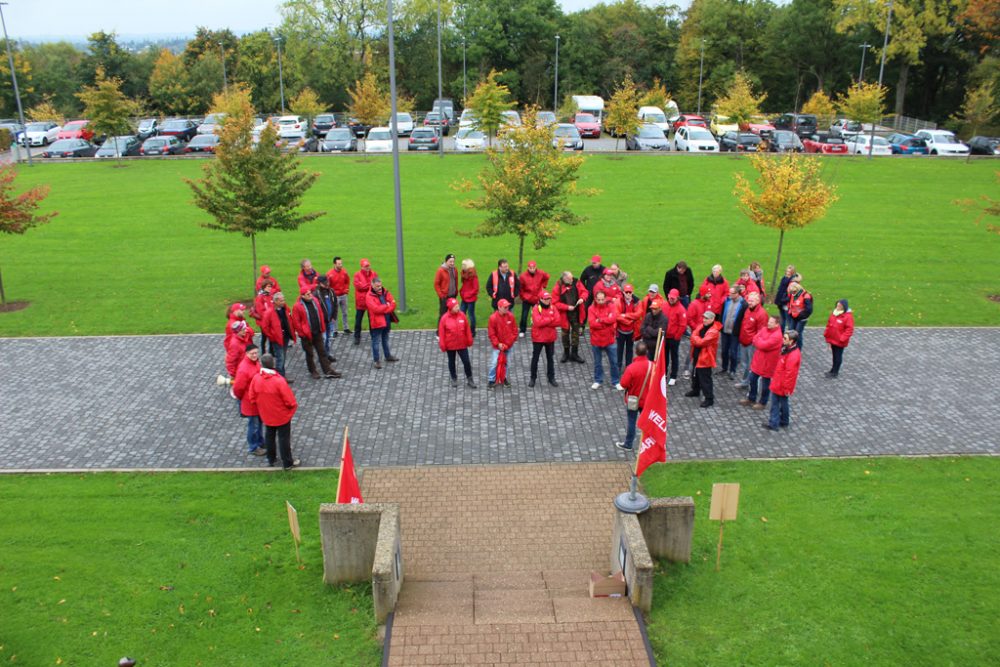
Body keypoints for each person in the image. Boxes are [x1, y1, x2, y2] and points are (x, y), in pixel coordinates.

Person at [248, 354, 300, 470]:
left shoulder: (256, 379)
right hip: (281, 415)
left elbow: (251, 396)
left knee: (269, 436)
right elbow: (289, 400)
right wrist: (291, 408)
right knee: (283, 438)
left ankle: (271, 458)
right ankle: (287, 462)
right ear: (273, 364)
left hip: (266, 414)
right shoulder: (279, 381)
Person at [291, 287, 342, 379]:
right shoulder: (297, 306)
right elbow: (296, 322)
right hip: (306, 335)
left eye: (310, 293)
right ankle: (313, 371)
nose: (310, 295)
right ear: (302, 296)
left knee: (322, 352)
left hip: (317, 331)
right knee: (309, 354)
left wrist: (322, 327)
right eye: (308, 294)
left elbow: (320, 314)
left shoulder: (315, 301)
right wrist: (302, 333)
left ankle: (328, 371)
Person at [615, 341, 651, 451]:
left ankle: (628, 444)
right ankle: (649, 444)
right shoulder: (653, 366)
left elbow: (623, 384)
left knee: (631, 421)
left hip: (634, 399)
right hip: (648, 399)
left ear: (636, 352)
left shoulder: (631, 368)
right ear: (647, 352)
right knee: (648, 423)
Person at [741, 314, 782, 410]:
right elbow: (755, 339)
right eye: (769, 321)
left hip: (768, 364)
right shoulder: (764, 329)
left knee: (765, 385)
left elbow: (763, 345)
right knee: (752, 380)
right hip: (758, 361)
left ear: (777, 324)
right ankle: (751, 398)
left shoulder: (777, 336)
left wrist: (759, 341)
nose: (768, 323)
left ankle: (762, 402)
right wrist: (760, 341)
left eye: (771, 322)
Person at [763, 330, 802, 431]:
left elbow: (790, 374)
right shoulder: (789, 349)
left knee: (775, 404)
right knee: (783, 402)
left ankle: (773, 423)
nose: (782, 340)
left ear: (792, 341)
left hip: (780, 383)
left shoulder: (792, 355)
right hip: (780, 382)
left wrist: (786, 388)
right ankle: (784, 420)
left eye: (785, 338)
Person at [232, 343, 265, 456]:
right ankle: (253, 447)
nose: (255, 355)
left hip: (257, 400)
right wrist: (243, 398)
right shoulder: (243, 369)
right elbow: (238, 388)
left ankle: (260, 442)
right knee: (254, 426)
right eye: (252, 353)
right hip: (250, 402)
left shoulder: (255, 362)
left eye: (256, 353)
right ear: (246, 354)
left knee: (259, 423)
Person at [685, 310, 722, 408]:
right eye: (704, 318)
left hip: (705, 359)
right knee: (695, 375)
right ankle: (696, 390)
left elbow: (702, 342)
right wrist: (696, 339)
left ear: (712, 319)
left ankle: (709, 398)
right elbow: (694, 334)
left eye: (706, 318)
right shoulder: (702, 326)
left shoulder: (714, 331)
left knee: (705, 379)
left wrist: (695, 339)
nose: (704, 320)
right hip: (698, 355)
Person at [438, 298, 477, 388]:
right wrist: (442, 345)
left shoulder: (462, 315)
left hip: (462, 344)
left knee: (466, 361)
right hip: (450, 345)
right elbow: (442, 333)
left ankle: (470, 379)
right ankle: (454, 378)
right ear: (451, 308)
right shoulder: (444, 319)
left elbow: (467, 329)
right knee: (451, 362)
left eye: (458, 305)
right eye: (456, 306)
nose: (458, 308)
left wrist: (469, 339)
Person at [553, 271, 589, 363]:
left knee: (575, 334)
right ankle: (566, 353)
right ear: (564, 279)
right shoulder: (558, 286)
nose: (572, 280)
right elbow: (555, 303)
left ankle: (574, 354)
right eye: (570, 279)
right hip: (565, 315)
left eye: (572, 278)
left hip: (576, 313)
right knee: (565, 334)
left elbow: (585, 292)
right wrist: (567, 307)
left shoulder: (576, 282)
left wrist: (582, 298)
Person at [588, 290, 621, 390]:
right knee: (597, 363)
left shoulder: (611, 306)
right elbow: (592, 323)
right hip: (596, 340)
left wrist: (600, 320)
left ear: (606, 298)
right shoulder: (591, 309)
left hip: (609, 340)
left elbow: (613, 319)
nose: (601, 301)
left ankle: (616, 381)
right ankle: (598, 380)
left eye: (602, 299)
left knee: (614, 362)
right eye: (599, 299)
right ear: (595, 299)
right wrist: (606, 321)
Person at [736, 291, 768, 387]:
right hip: (744, 341)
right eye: (749, 300)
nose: (750, 302)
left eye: (752, 301)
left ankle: (750, 383)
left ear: (758, 301)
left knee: (751, 365)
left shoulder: (762, 314)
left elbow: (761, 332)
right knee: (745, 363)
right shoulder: (748, 310)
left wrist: (753, 341)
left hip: (751, 344)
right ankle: (746, 381)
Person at [260, 292, 295, 380]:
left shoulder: (285, 309)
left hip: (285, 336)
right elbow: (265, 327)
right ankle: (280, 377)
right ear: (275, 301)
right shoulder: (269, 312)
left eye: (283, 300)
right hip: (277, 339)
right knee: (280, 358)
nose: (283, 302)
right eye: (281, 300)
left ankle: (281, 376)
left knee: (283, 356)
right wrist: (272, 336)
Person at [366, 277, 399, 369]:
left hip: (386, 320)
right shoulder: (369, 296)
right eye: (377, 286)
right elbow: (375, 309)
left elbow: (393, 303)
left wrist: (384, 308)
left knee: (385, 338)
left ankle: (387, 356)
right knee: (376, 341)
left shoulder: (385, 292)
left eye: (380, 285)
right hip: (377, 323)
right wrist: (386, 307)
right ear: (372, 285)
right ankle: (376, 360)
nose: (379, 288)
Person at [528, 292, 560, 387]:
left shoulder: (553, 307)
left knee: (550, 359)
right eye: (545, 299)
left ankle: (551, 377)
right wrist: (550, 319)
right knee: (535, 358)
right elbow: (537, 322)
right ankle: (533, 378)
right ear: (541, 299)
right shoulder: (536, 308)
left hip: (550, 338)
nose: (548, 301)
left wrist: (545, 321)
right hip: (538, 338)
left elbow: (558, 321)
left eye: (549, 299)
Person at [487, 298, 518, 388]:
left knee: (507, 363)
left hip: (508, 346)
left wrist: (508, 344)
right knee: (494, 363)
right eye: (505, 307)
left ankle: (503, 378)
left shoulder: (511, 316)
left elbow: (515, 331)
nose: (507, 308)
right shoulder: (493, 318)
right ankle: (491, 380)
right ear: (499, 307)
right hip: (498, 347)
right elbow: (491, 334)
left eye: (508, 306)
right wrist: (498, 344)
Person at [718, 287, 746, 378]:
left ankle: (733, 370)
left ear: (738, 294)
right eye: (729, 293)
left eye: (732, 293)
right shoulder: (727, 301)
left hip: (735, 333)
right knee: (724, 351)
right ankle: (724, 368)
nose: (729, 295)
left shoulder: (743, 304)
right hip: (725, 331)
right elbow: (722, 314)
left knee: (733, 353)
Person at [682, 291, 711, 378]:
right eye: (708, 293)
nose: (710, 295)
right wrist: (697, 329)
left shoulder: (708, 303)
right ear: (703, 294)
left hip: (707, 332)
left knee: (705, 351)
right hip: (697, 332)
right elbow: (689, 318)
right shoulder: (694, 304)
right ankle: (686, 369)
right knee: (692, 350)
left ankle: (702, 368)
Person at [823, 299, 854, 378]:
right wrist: (826, 334)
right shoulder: (834, 313)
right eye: (837, 305)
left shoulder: (848, 317)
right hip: (832, 339)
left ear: (844, 307)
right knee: (834, 356)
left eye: (840, 306)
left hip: (839, 341)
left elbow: (849, 330)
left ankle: (835, 372)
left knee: (837, 356)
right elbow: (829, 324)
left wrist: (842, 338)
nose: (838, 307)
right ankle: (832, 370)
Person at [518, 260, 550, 337]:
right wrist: (523, 296)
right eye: (530, 268)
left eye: (533, 267)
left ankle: (539, 328)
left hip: (537, 298)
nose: (532, 269)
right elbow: (520, 288)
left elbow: (547, 277)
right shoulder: (523, 276)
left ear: (536, 267)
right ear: (528, 268)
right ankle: (522, 330)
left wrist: (543, 286)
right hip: (527, 299)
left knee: (539, 314)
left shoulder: (541, 273)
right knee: (524, 315)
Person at [615, 284, 642, 370]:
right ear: (623, 292)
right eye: (626, 292)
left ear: (632, 292)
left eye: (629, 292)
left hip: (631, 331)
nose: (628, 294)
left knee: (629, 350)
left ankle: (628, 366)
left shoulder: (637, 302)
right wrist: (629, 321)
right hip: (620, 331)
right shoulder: (618, 301)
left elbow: (638, 314)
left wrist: (625, 315)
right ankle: (618, 366)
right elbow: (616, 315)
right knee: (620, 349)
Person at [663, 289, 687, 385]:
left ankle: (673, 376)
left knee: (674, 356)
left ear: (677, 298)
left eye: (673, 298)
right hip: (665, 336)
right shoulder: (664, 305)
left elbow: (683, 325)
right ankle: (664, 373)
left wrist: (676, 337)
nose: (671, 299)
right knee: (664, 356)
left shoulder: (681, 309)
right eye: (670, 298)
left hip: (674, 338)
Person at [353, 259, 377, 345]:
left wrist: (367, 286)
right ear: (361, 267)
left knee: (372, 319)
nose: (367, 268)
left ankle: (373, 335)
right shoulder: (357, 275)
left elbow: (376, 285)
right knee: (358, 320)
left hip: (371, 300)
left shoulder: (373, 273)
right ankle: (357, 336)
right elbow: (359, 287)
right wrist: (370, 285)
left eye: (368, 266)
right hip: (361, 301)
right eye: (365, 266)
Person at [326, 256, 352, 336]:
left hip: (343, 295)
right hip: (335, 297)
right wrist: (332, 295)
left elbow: (347, 281)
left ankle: (346, 328)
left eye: (341, 263)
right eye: (339, 264)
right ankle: (335, 330)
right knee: (335, 314)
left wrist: (346, 289)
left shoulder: (344, 272)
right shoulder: (329, 274)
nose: (341, 265)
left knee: (345, 313)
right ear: (334, 264)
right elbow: (327, 286)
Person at [315, 275, 338, 358]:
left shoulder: (331, 291)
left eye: (327, 282)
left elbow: (335, 304)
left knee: (328, 339)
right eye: (325, 283)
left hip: (330, 320)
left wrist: (334, 317)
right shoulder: (316, 294)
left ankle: (327, 354)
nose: (327, 284)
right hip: (322, 322)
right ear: (320, 283)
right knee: (323, 339)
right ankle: (322, 356)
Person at [786, 281, 813, 346]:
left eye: (793, 292)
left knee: (798, 333)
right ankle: (791, 346)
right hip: (793, 316)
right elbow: (790, 302)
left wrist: (800, 315)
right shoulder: (793, 294)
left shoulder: (806, 296)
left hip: (801, 318)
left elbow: (809, 310)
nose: (792, 293)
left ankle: (798, 348)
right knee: (791, 332)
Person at [434, 253, 459, 319]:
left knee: (453, 314)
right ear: (446, 261)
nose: (452, 263)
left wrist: (456, 291)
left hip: (453, 296)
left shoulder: (455, 269)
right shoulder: (440, 270)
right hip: (444, 297)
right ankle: (440, 329)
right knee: (443, 314)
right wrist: (441, 295)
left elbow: (456, 280)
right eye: (450, 261)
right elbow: (436, 284)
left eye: (453, 261)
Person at [459, 258, 479, 337]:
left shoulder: (473, 276)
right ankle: (462, 329)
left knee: (471, 315)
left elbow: (476, 288)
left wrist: (467, 294)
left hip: (470, 299)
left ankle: (472, 331)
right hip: (464, 298)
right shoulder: (464, 273)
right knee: (461, 314)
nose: (462, 266)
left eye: (464, 265)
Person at [775, 265, 798, 331]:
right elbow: (780, 289)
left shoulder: (792, 281)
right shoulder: (784, 278)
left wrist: (785, 299)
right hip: (781, 301)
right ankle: (781, 333)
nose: (787, 273)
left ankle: (791, 334)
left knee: (788, 319)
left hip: (786, 302)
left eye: (789, 272)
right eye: (787, 271)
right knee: (782, 318)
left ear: (792, 272)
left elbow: (792, 293)